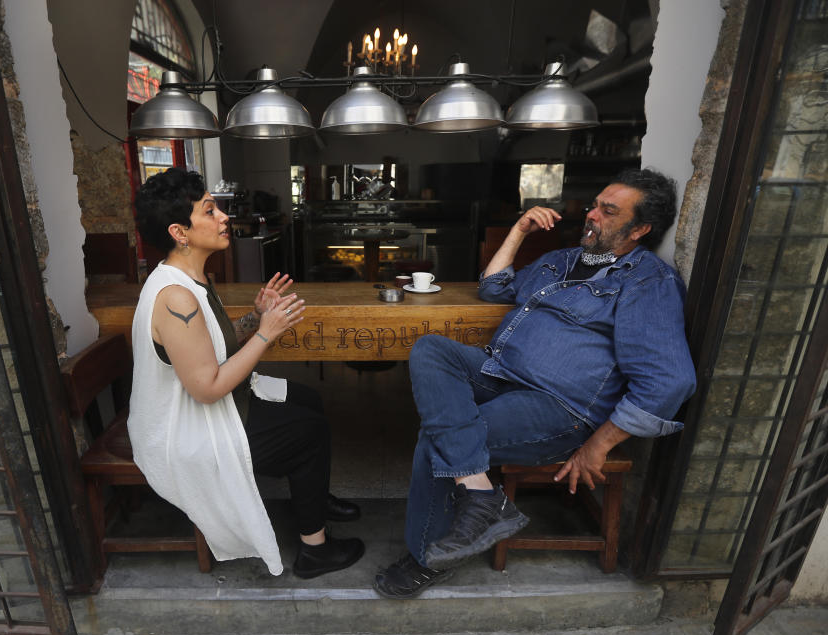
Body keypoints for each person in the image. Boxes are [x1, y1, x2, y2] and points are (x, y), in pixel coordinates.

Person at [374, 168, 697, 598]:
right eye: (594, 204)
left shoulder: (647, 282)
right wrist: (519, 230)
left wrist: (597, 445)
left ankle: (428, 557)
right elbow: (492, 288)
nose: (591, 215)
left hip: (558, 407)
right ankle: (481, 497)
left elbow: (668, 383)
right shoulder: (560, 260)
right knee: (432, 348)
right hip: (500, 373)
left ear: (639, 229)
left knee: (437, 440)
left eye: (607, 210)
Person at [127, 167, 364, 578]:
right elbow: (207, 387)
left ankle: (314, 499)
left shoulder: (191, 279)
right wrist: (267, 335)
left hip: (206, 408)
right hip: (185, 431)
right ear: (180, 232)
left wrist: (256, 318)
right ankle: (314, 550)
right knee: (310, 433)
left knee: (308, 400)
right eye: (208, 211)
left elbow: (213, 346)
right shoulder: (175, 297)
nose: (223, 217)